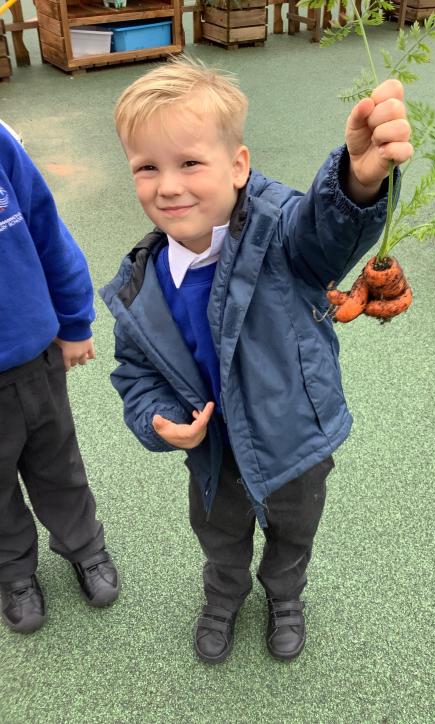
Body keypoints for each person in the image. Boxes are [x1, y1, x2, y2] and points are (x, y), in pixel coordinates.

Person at [100, 56, 412, 663]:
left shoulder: (280, 233)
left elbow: (323, 233)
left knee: (294, 531)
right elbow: (135, 373)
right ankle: (224, 595)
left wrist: (359, 180)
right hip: (215, 453)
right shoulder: (142, 284)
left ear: (238, 166)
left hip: (295, 439)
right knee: (219, 534)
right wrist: (161, 421)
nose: (168, 186)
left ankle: (285, 595)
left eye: (190, 163)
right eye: (147, 167)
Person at [0, 122, 119, 634]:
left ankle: (83, 545)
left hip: (34, 356)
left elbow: (46, 229)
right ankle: (14, 571)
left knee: (57, 462)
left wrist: (73, 322)